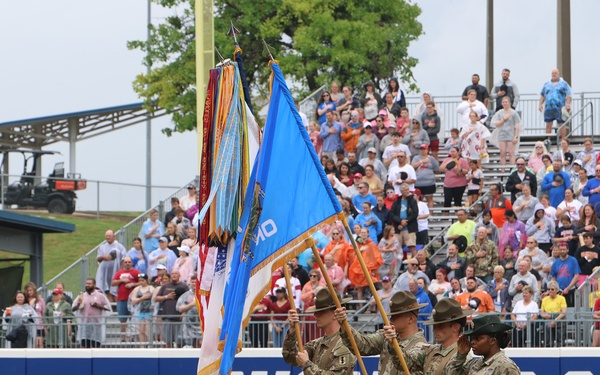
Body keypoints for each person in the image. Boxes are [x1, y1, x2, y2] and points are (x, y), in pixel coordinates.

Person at [338, 290, 428, 375]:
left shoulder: (422, 347)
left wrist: (392, 346)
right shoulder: (386, 337)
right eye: (391, 315)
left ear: (410, 319)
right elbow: (361, 344)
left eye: (396, 316)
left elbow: (406, 362)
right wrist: (344, 325)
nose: (391, 319)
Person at [386, 298, 471, 375]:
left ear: (456, 327)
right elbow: (404, 363)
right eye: (434, 326)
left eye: (441, 326)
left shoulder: (463, 357)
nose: (434, 330)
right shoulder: (431, 351)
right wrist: (393, 345)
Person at [283, 289, 356, 374]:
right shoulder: (317, 344)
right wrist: (292, 330)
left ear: (335, 314)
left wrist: (306, 364)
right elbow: (291, 357)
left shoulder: (345, 344)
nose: (315, 315)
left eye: (321, 312)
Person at [450, 314, 520, 374]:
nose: (472, 342)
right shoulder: (474, 364)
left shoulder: (506, 367)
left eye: (478, 338)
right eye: (472, 338)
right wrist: (461, 356)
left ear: (492, 341)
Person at [72, 278, 111, 348]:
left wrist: (98, 306)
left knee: (96, 347)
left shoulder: (100, 296)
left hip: (96, 326)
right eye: (86, 283)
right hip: (85, 326)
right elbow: (73, 309)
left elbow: (108, 308)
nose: (87, 285)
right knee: (85, 347)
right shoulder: (82, 296)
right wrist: (78, 304)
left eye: (89, 284)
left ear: (94, 285)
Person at [154, 270, 189, 347]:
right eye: (172, 273)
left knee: (179, 342)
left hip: (179, 319)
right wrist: (167, 297)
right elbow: (156, 298)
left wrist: (184, 312)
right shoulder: (165, 286)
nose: (174, 275)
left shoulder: (184, 286)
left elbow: (188, 299)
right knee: (167, 342)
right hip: (167, 317)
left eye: (176, 273)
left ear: (179, 275)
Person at [111, 256, 140, 341]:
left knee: (133, 318)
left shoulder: (136, 272)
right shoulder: (119, 273)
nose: (127, 263)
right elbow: (113, 283)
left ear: (132, 263)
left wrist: (132, 284)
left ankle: (132, 337)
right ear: (123, 263)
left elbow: (142, 282)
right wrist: (121, 281)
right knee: (122, 319)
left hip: (132, 299)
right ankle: (123, 337)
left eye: (129, 262)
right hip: (121, 298)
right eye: (126, 262)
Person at [348, 227, 383, 300]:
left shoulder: (372, 245)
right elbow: (350, 255)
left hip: (369, 270)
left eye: (365, 232)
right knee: (359, 288)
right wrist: (359, 250)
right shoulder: (356, 244)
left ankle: (369, 309)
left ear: (368, 234)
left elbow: (377, 258)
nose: (363, 234)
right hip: (359, 270)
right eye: (362, 232)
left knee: (371, 288)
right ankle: (360, 306)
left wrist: (372, 268)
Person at [539, 68, 572, 141]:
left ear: (558, 74)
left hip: (559, 108)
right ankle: (548, 140)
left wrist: (567, 104)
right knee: (548, 125)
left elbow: (568, 95)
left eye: (555, 73)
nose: (554, 74)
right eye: (553, 73)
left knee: (561, 124)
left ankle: (563, 139)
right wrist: (540, 104)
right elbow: (542, 95)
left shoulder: (564, 84)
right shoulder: (546, 84)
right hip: (548, 108)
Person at [96, 229, 127, 302]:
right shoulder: (102, 247)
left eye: (109, 236)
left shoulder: (119, 247)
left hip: (116, 272)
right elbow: (98, 259)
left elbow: (124, 259)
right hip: (105, 273)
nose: (108, 237)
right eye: (106, 236)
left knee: (116, 292)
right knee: (108, 291)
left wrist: (121, 270)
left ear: (114, 236)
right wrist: (103, 257)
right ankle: (111, 308)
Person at [389, 183, 419, 258]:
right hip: (398, 228)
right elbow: (392, 214)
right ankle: (396, 266)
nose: (407, 191)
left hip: (410, 228)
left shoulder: (412, 201)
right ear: (401, 191)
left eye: (408, 189)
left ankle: (415, 263)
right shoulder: (397, 201)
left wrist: (406, 221)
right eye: (405, 190)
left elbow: (415, 213)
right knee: (396, 248)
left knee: (412, 247)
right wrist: (400, 221)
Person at [490, 96, 521, 167]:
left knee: (511, 152)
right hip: (502, 134)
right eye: (503, 102)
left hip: (511, 134)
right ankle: (502, 169)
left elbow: (517, 125)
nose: (505, 103)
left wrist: (516, 136)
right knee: (502, 152)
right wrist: (503, 119)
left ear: (509, 103)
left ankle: (512, 169)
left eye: (506, 102)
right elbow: (495, 124)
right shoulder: (499, 113)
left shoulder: (513, 113)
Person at [550, 242, 581, 307]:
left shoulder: (573, 260)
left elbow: (576, 276)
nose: (562, 251)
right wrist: (555, 288)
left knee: (570, 309)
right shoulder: (556, 262)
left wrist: (568, 288)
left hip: (571, 290)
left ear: (567, 250)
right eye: (560, 249)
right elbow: (553, 277)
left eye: (564, 249)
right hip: (559, 291)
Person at [540, 280, 567, 347]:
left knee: (560, 340)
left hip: (559, 319)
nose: (550, 291)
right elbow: (541, 312)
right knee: (548, 341)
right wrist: (545, 315)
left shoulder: (562, 298)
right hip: (548, 318)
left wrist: (556, 319)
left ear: (557, 290)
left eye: (552, 289)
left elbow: (563, 312)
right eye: (548, 289)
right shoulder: (544, 299)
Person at [412, 143, 439, 208]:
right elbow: (412, 166)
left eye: (424, 149)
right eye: (421, 149)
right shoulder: (416, 158)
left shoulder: (431, 158)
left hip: (429, 182)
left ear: (427, 150)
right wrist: (421, 162)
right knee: (418, 199)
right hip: (418, 182)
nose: (422, 150)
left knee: (429, 199)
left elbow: (437, 168)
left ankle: (431, 214)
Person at [176, 281, 202, 348]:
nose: (194, 284)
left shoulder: (204, 294)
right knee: (189, 343)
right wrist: (192, 304)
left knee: (201, 343)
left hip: (201, 323)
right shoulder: (185, 295)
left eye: (195, 282)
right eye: (192, 282)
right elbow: (180, 308)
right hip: (188, 324)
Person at [130, 273, 154, 344]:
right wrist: (142, 298)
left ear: (146, 280)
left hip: (149, 311)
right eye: (140, 281)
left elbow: (155, 299)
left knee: (148, 330)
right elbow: (133, 300)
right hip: (140, 311)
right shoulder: (137, 289)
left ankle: (149, 344)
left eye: (143, 280)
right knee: (141, 330)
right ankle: (142, 345)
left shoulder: (151, 288)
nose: (141, 282)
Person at [23, 281, 45, 348]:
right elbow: (28, 307)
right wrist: (34, 300)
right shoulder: (25, 300)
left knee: (39, 343)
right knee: (32, 343)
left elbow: (43, 312)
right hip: (29, 324)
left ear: (34, 290)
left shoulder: (40, 300)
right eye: (28, 290)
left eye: (31, 290)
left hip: (39, 324)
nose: (29, 292)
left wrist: (45, 324)